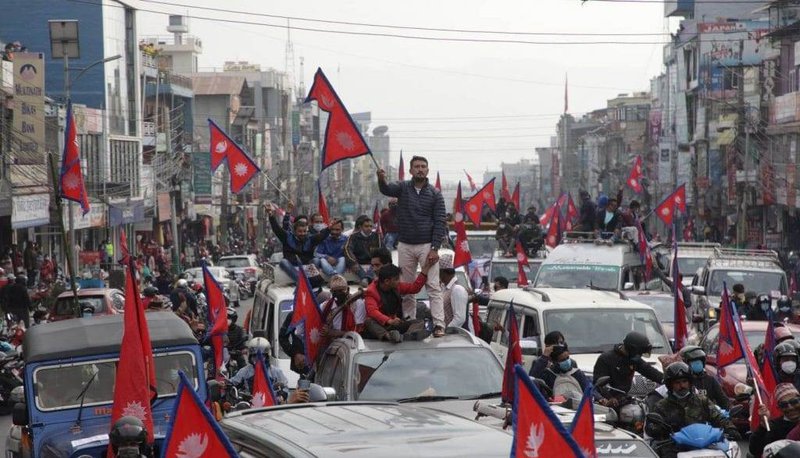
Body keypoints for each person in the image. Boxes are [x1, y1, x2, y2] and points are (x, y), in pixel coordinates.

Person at [377, 155, 447, 337]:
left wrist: (434, 248)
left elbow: (440, 221)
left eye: (423, 166)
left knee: (433, 286)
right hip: (406, 245)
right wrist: (381, 178)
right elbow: (386, 189)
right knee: (406, 287)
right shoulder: (402, 188)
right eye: (417, 166)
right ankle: (409, 322)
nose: (420, 169)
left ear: (427, 170)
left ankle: (439, 324)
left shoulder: (435, 194)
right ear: (411, 170)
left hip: (426, 245)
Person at [652, 362, 740, 458]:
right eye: (677, 382)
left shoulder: (702, 400)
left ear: (690, 382)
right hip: (675, 447)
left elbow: (717, 416)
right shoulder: (661, 406)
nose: (682, 385)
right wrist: (656, 429)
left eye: (684, 381)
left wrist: (731, 428)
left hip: (703, 444)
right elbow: (653, 426)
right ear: (670, 385)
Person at [363, 262, 434, 343]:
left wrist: (424, 271)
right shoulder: (371, 291)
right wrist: (389, 320)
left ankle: (404, 336)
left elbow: (415, 288)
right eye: (396, 279)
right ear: (387, 281)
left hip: (394, 325)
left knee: (419, 322)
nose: (398, 281)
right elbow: (372, 312)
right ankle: (388, 336)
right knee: (369, 321)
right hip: (380, 326)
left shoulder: (396, 286)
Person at [593, 331, 663, 405]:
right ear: (632, 349)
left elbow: (650, 371)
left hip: (624, 399)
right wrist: (609, 398)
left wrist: (666, 379)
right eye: (639, 353)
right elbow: (598, 385)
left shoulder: (633, 359)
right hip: (607, 402)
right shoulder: (606, 359)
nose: (640, 356)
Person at [267, 205, 330, 285]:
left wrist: (329, 228)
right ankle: (302, 282)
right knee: (283, 262)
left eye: (304, 231)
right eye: (300, 231)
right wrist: (271, 215)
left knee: (316, 260)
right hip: (292, 266)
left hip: (307, 267)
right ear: (295, 231)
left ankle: (312, 279)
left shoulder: (310, 239)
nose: (302, 234)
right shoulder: (287, 237)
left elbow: (322, 235)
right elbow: (276, 228)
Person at [529, 331, 590, 397]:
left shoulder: (573, 364)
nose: (560, 345)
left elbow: (585, 386)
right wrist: (544, 358)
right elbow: (532, 380)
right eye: (556, 343)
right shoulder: (541, 364)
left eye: (561, 342)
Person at [750, 383, 800, 457]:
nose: (790, 407)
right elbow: (756, 450)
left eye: (794, 402)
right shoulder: (774, 426)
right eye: (784, 405)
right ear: (779, 408)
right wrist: (763, 425)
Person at [678, 345, 729, 409]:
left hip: (709, 415)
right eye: (693, 362)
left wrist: (729, 411)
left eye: (699, 362)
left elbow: (723, 400)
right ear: (686, 364)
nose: (697, 364)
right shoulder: (683, 382)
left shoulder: (710, 380)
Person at [320, 275, 366, 340]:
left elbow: (358, 331)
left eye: (341, 290)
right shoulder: (325, 306)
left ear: (348, 290)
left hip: (351, 342)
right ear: (331, 292)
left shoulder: (357, 304)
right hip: (331, 343)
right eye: (335, 291)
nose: (338, 293)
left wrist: (333, 333)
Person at [344, 216, 381, 286]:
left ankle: (365, 278)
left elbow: (382, 251)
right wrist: (352, 261)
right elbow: (347, 249)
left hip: (372, 261)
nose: (369, 228)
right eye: (366, 226)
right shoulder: (353, 237)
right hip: (358, 261)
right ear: (360, 227)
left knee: (378, 263)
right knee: (352, 263)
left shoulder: (377, 237)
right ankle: (366, 278)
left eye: (370, 226)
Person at [439, 253, 470, 330]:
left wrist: (446, 331)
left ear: (443, 273)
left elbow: (459, 319)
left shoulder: (457, 290)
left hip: (454, 337)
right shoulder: (444, 289)